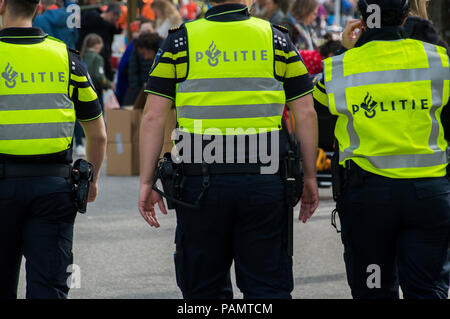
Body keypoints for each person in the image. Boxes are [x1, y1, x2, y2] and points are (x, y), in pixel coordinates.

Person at [139, 0, 319, 299]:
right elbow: (306, 114)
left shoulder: (180, 42)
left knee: (204, 289)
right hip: (264, 179)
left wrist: (148, 181)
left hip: (199, 185)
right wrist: (310, 177)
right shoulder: (277, 40)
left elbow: (154, 116)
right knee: (267, 287)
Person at [314, 0, 450, 298]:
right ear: (405, 15)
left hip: (369, 197)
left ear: (362, 18)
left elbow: (318, 102)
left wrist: (345, 50)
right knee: (427, 290)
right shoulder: (438, 60)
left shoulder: (341, 67)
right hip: (428, 194)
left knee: (373, 289)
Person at [0, 0, 107, 299]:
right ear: (38, 6)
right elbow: (97, 134)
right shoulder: (67, 58)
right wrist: (93, 180)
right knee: (49, 286)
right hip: (52, 190)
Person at [76, 3, 122, 82]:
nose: (116, 22)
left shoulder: (108, 27)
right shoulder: (91, 19)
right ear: (111, 14)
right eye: (116, 19)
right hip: (91, 62)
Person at [123, 32, 162, 105]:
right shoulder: (160, 52)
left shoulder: (163, 54)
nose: (146, 57)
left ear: (149, 47)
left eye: (144, 53)